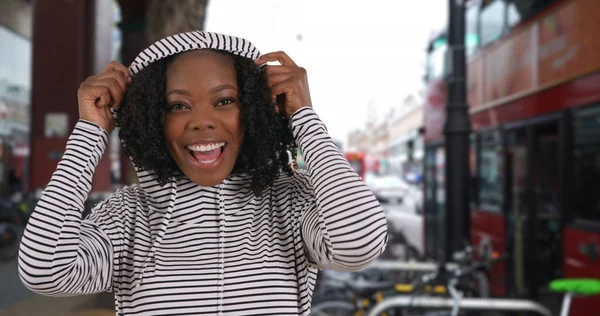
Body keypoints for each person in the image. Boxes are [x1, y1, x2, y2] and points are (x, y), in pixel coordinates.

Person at [18, 31, 388, 315]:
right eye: (177, 105)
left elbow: (360, 243)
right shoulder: (128, 217)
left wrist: (303, 116)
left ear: (256, 108)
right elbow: (43, 270)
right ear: (153, 120)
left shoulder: (288, 202)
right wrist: (91, 131)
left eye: (225, 100)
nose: (202, 123)